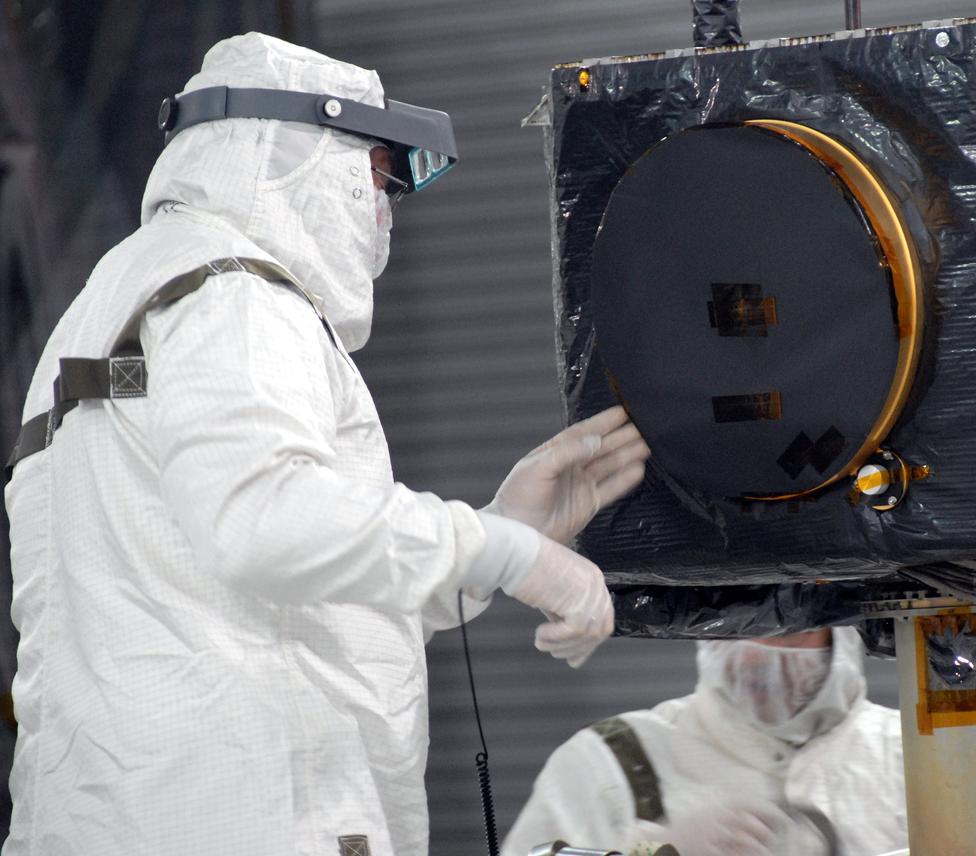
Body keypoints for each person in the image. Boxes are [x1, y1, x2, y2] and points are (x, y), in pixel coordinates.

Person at [2, 33, 649, 856]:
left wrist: (497, 531)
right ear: (299, 153)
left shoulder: (118, 300)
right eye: (378, 177)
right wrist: (502, 551)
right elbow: (264, 523)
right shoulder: (234, 295)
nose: (383, 214)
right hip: (246, 818)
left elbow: (273, 598)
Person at [502, 627, 908, 856]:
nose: (754, 656)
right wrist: (651, 851)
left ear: (844, 633)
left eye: (787, 631)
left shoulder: (915, 757)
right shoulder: (608, 761)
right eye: (739, 626)